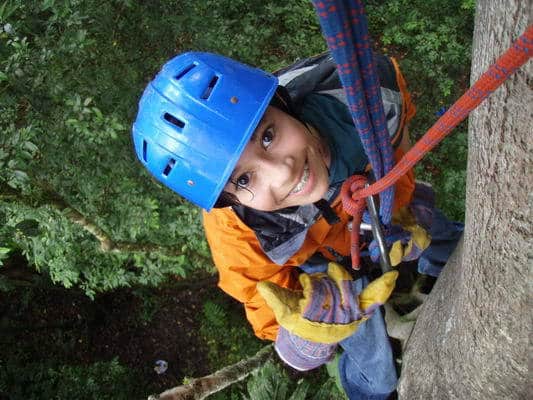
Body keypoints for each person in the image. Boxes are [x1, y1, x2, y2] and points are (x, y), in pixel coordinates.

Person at [132, 51, 463, 399]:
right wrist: (306, 332)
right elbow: (261, 296)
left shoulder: (364, 96)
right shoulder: (237, 227)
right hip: (319, 269)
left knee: (433, 232)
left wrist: (400, 204)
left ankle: (445, 256)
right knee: (377, 378)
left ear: (282, 103)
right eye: (244, 180)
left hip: (368, 211)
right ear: (229, 202)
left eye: (268, 136)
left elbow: (396, 153)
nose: (283, 172)